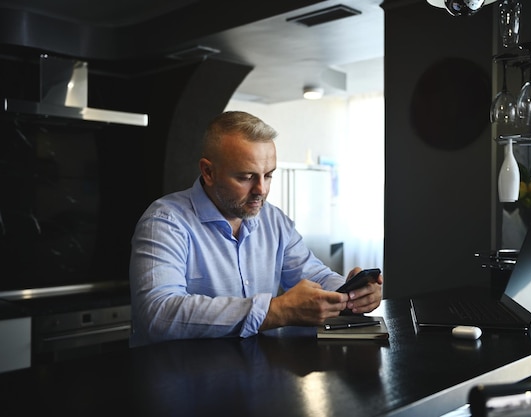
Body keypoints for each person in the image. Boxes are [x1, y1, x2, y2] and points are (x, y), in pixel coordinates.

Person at [129, 110, 383, 347]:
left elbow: (313, 274)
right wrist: (276, 311)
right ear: (208, 172)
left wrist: (350, 293)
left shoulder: (274, 220)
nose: (261, 190)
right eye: (246, 177)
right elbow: (158, 314)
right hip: (179, 382)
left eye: (268, 175)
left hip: (258, 373)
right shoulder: (165, 222)